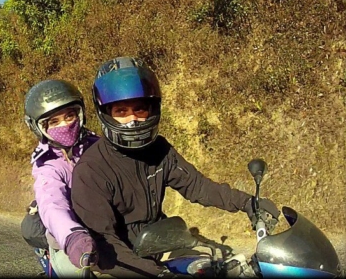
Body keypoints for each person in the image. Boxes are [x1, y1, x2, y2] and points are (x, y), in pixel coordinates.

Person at [71, 56, 281, 278]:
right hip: (115, 265)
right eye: (121, 111)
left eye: (140, 110)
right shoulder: (91, 170)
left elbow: (198, 186)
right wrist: (158, 274)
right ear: (105, 114)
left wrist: (247, 202)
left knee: (214, 268)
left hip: (154, 247)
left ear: (152, 109)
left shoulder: (159, 150)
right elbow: (104, 243)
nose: (133, 119)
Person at [22, 79, 101, 277]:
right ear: (39, 128)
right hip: (73, 242)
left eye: (69, 116)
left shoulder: (100, 147)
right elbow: (52, 202)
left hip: (111, 231)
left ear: (80, 114)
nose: (65, 125)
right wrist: (72, 237)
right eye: (54, 122)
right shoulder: (47, 165)